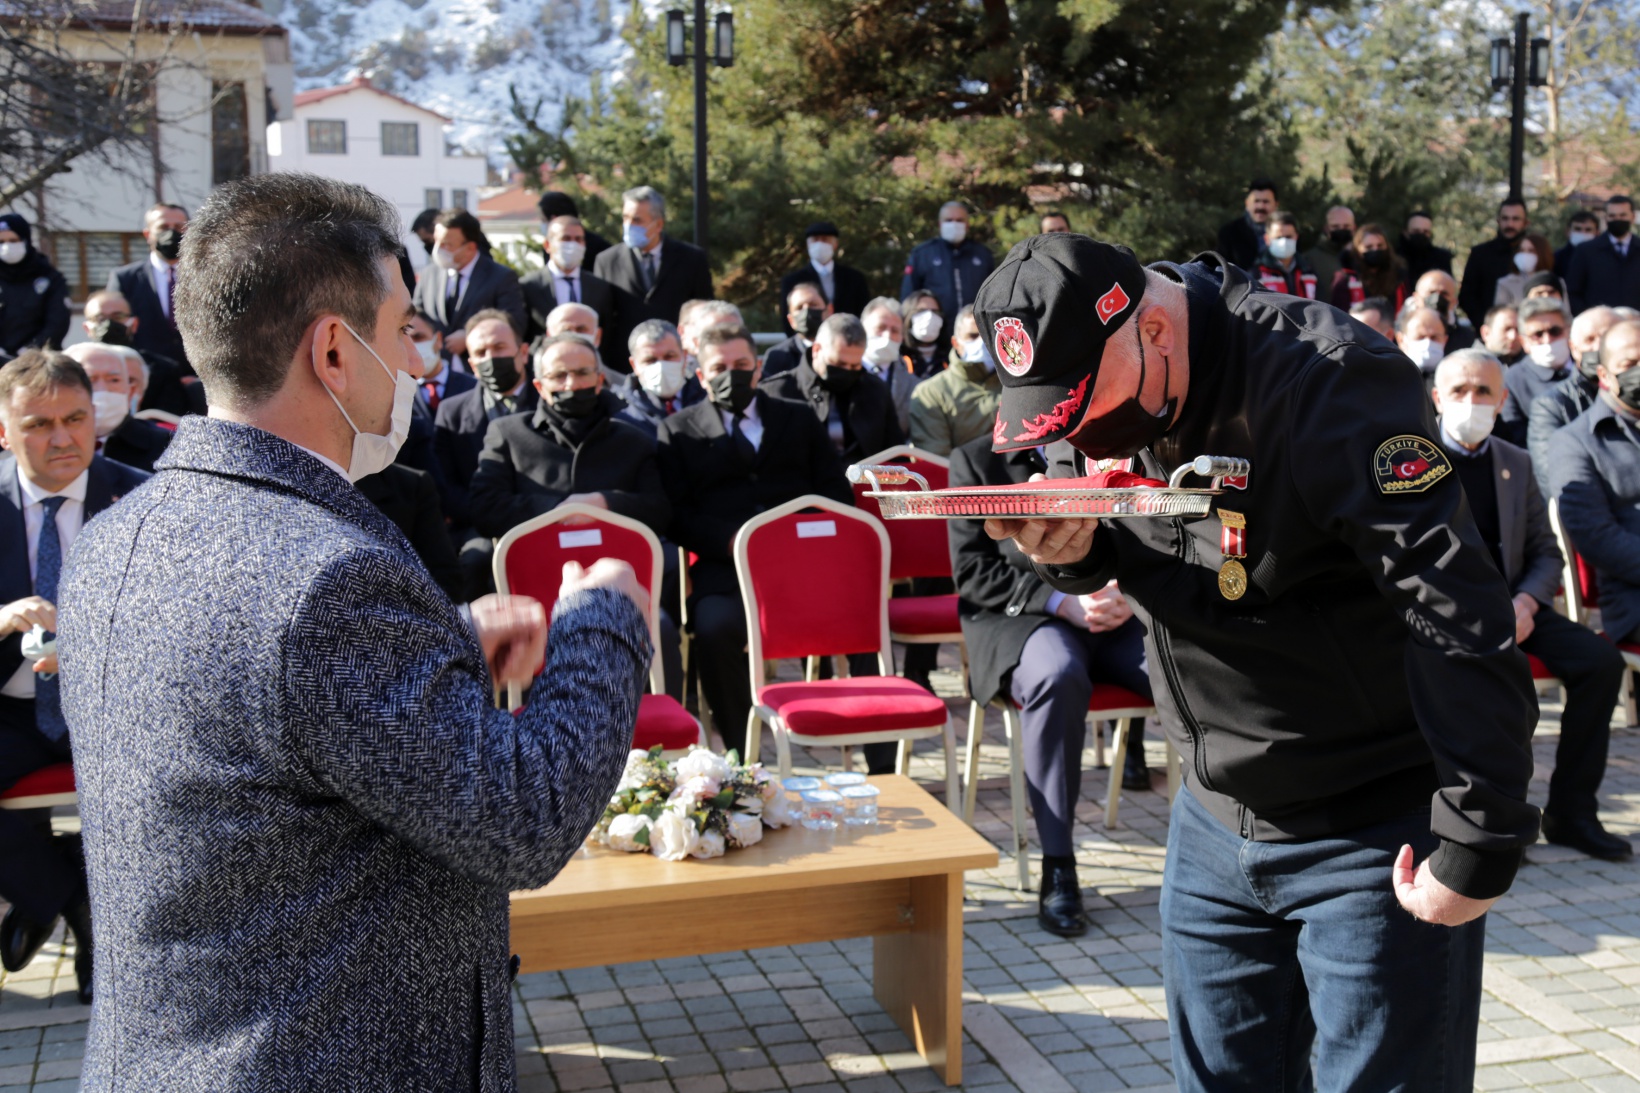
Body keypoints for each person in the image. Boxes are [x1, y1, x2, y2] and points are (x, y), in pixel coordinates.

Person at [57, 173, 653, 1089]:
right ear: (333, 351)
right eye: (402, 329)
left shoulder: (116, 535)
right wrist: (604, 617)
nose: (417, 362)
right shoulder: (326, 576)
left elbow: (254, 704)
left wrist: (444, 639)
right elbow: (524, 818)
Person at [976, 233, 1535, 1092]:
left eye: (1088, 405)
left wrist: (1480, 835)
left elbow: (1455, 608)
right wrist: (1071, 555)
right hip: (1210, 821)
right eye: (1060, 420)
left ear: (1154, 331)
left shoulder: (1332, 381)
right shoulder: (1102, 381)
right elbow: (1117, 538)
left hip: (1371, 830)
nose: (1082, 434)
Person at [948, 432, 1152, 935]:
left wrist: (1126, 592)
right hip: (1028, 618)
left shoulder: (1115, 442)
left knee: (1180, 666)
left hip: (1117, 612)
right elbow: (973, 572)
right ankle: (1058, 865)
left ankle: (1233, 840)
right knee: (1057, 675)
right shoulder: (975, 461)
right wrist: (1064, 602)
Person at [1430, 349, 1628, 859]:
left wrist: (1526, 601)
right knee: (1477, 681)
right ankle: (1484, 824)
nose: (1471, 402)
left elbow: (1545, 552)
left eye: (1483, 392)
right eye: (1459, 391)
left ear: (1502, 401)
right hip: (1444, 614)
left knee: (1600, 664)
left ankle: (1572, 811)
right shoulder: (1413, 461)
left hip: (1514, 607)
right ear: (1436, 397)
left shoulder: (1515, 463)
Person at [0, 351, 145, 1006]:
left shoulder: (145, 499)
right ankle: (70, 896)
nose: (61, 437)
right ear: (4, 430)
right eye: (37, 423)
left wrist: (97, 649)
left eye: (75, 418)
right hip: (12, 712)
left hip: (121, 709)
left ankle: (83, 915)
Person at [656, 323, 851, 756]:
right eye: (719, 368)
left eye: (741, 365)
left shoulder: (797, 418)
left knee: (857, 614)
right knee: (713, 628)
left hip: (802, 568)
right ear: (701, 375)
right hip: (726, 574)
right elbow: (677, 515)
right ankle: (742, 755)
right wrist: (729, 542)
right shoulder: (677, 431)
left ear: (758, 367)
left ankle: (877, 758)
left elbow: (836, 493)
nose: (732, 375)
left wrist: (797, 539)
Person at [469, 332, 669, 541]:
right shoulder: (508, 434)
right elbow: (485, 508)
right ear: (539, 386)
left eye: (583, 372)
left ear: (600, 380)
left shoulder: (633, 440)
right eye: (558, 375)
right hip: (536, 560)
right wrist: (559, 509)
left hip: (620, 562)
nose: (572, 384)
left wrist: (604, 502)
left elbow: (659, 511)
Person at [435, 309, 537, 598]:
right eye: (480, 352)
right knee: (475, 560)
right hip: (480, 527)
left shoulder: (549, 401)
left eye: (499, 347)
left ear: (523, 351)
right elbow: (446, 485)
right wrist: (491, 514)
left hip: (544, 516)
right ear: (472, 364)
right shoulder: (451, 412)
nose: (490, 358)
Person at [761, 313, 904, 464]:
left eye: (855, 366)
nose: (847, 371)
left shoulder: (876, 391)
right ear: (816, 350)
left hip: (864, 482)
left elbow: (896, 455)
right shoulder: (777, 392)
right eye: (839, 364)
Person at [593, 186, 715, 360]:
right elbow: (603, 315)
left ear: (658, 224)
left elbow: (703, 309)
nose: (628, 225)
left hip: (676, 360)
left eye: (637, 220)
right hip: (623, 363)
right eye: (625, 218)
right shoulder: (606, 261)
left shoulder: (691, 259)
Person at [413, 210, 527, 364]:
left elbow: (514, 322)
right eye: (437, 241)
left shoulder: (501, 277)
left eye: (447, 244)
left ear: (470, 248)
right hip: (437, 369)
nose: (439, 249)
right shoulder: (428, 274)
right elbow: (415, 317)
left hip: (480, 368)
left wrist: (469, 336)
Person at [1528, 306, 1618, 495]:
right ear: (1574, 349)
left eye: (1609, 335)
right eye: (1590, 339)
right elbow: (1556, 479)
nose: (1599, 346)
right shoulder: (1551, 405)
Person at [80, 289, 199, 418]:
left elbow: (169, 424)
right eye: (100, 318)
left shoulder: (163, 371)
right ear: (87, 328)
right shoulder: (72, 369)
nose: (109, 325)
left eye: (118, 317)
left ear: (134, 324)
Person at [105, 203, 191, 371]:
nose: (171, 232)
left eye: (179, 227)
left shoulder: (208, 275)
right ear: (148, 234)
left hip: (200, 381)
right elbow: (117, 330)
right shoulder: (125, 279)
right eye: (163, 227)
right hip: (148, 377)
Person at [62, 344, 172, 473]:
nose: (103, 389)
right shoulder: (39, 441)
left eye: (114, 380)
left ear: (130, 390)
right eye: (89, 380)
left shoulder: (169, 446)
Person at [909, 305, 1000, 455]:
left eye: (988, 335)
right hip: (965, 477)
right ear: (956, 343)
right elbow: (937, 459)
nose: (983, 343)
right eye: (973, 336)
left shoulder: (1018, 381)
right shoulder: (930, 393)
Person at [900, 201, 995, 342]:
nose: (954, 224)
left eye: (959, 220)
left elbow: (993, 295)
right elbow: (909, 297)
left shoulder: (982, 255)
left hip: (975, 335)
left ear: (967, 224)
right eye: (949, 220)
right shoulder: (923, 254)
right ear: (940, 224)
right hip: (935, 335)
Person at [520, 215, 616, 348]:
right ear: (548, 245)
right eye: (565, 239)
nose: (573, 245)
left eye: (578, 239)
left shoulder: (599, 287)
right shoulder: (528, 286)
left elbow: (606, 332)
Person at [1498, 296, 1574, 447]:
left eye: (1555, 331)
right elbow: (1516, 436)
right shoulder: (1513, 379)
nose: (1547, 339)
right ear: (1524, 342)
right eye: (1537, 334)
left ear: (1568, 331)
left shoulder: (1586, 367)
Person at [778, 221, 870, 334]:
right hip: (809, 341)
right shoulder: (792, 281)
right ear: (808, 244)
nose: (820, 244)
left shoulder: (854, 278)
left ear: (835, 244)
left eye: (825, 239)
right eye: (815, 239)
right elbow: (787, 318)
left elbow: (864, 314)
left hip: (848, 340)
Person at [0, 214, 70, 361]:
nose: (7, 246)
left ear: (25, 240)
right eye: (1, 241)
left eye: (13, 240)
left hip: (38, 362)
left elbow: (57, 322)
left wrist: (29, 351)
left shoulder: (49, 277)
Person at [1459, 196, 1531, 328]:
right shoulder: (1480, 254)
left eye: (1516, 219)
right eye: (1505, 218)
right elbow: (1467, 296)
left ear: (1526, 223)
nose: (1510, 224)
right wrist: (1487, 325)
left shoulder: (1536, 254)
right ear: (1498, 221)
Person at [615, 319, 693, 437]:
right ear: (634, 364)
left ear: (685, 357)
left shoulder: (708, 399)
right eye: (650, 360)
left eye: (669, 357)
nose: (661, 367)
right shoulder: (620, 410)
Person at [1565, 195, 1640, 314]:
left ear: (1633, 217)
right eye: (1612, 216)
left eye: (1622, 215)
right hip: (1598, 326)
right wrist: (1588, 318)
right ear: (1605, 218)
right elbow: (1573, 291)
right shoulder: (1586, 251)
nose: (1617, 219)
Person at [859, 297, 920, 435]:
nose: (887, 335)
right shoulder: (843, 370)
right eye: (881, 327)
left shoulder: (915, 386)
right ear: (863, 329)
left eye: (895, 330)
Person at [1330, 223, 1406, 314]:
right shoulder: (1345, 279)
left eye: (1380, 245)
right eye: (1369, 247)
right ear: (1357, 250)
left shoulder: (1399, 277)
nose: (1375, 250)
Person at [411, 309, 475, 412]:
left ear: (438, 340)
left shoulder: (472, 387)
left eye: (419, 337)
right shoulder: (397, 394)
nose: (413, 346)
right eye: (406, 340)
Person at [762, 281, 831, 377]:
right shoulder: (777, 357)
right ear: (791, 320)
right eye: (799, 308)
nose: (806, 311)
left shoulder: (845, 350)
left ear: (829, 310)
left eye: (813, 304)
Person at [537, 190, 612, 270]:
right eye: (566, 239)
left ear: (554, 219)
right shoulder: (552, 246)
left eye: (543, 220)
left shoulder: (600, 249)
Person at [1249, 211, 1318, 298]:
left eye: (1288, 237)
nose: (1284, 242)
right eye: (1278, 237)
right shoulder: (1257, 273)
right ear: (1267, 239)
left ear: (1296, 237)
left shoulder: (1308, 270)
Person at [1216, 178, 1278, 270]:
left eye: (1266, 202)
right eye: (1256, 201)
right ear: (1247, 204)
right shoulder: (1229, 233)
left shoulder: (1287, 233)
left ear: (1276, 205)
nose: (1261, 207)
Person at [1412, 269, 1476, 352]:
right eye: (1431, 292)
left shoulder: (1466, 337)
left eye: (1444, 294)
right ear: (1416, 298)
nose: (1437, 299)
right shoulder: (1397, 332)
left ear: (1454, 302)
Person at [1492, 232, 1560, 308]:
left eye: (1531, 250)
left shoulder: (1557, 282)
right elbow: (1501, 314)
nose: (1525, 254)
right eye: (1521, 250)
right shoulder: (1505, 283)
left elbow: (1565, 314)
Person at [1301, 205, 1355, 290]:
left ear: (1354, 227)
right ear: (1326, 228)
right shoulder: (1310, 258)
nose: (1341, 229)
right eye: (1335, 226)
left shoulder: (1360, 256)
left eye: (1346, 226)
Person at [1400, 210, 1454, 285]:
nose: (1421, 235)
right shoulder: (1395, 257)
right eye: (1416, 231)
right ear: (1405, 233)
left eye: (1426, 232)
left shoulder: (1441, 258)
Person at [1395, 305, 1448, 381]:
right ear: (1401, 340)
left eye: (1434, 337)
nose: (1428, 343)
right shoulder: (1389, 379)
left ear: (1445, 340)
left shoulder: (1456, 379)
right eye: (1420, 337)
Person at [901, 289, 947, 377]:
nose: (929, 316)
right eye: (922, 310)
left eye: (934, 311)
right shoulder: (898, 359)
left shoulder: (951, 359)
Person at [1555, 209, 1600, 274]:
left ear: (1597, 233)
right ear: (1568, 232)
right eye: (1577, 229)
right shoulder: (1558, 258)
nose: (1582, 233)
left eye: (1588, 230)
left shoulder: (1604, 258)